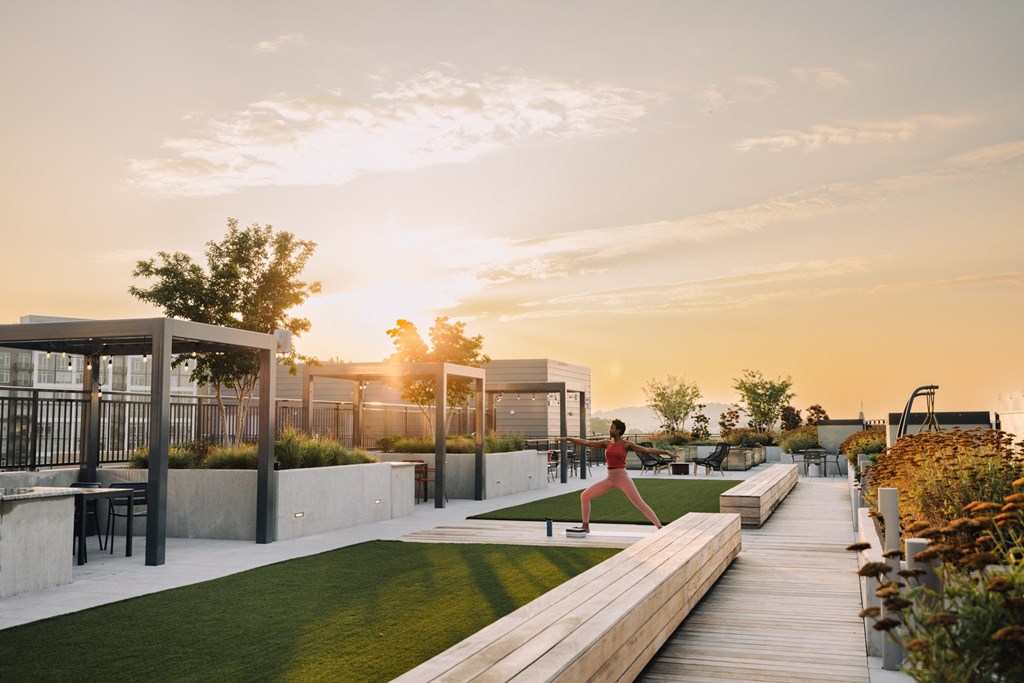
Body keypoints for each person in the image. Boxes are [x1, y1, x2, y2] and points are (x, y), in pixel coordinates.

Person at [557, 419, 673, 536]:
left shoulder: (626, 444)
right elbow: (586, 442)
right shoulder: (607, 443)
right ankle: (585, 526)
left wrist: (666, 452)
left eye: (612, 428)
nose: (610, 430)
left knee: (639, 502)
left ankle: (660, 527)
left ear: (618, 431)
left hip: (622, 478)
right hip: (610, 478)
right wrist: (568, 439)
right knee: (585, 496)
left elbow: (647, 450)